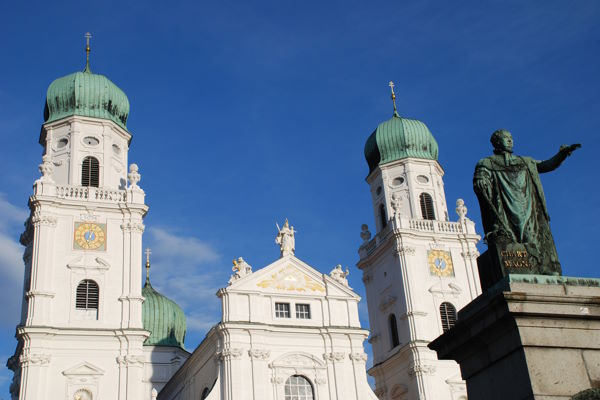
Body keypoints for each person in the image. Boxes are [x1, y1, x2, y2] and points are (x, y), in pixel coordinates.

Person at [473, 129, 580, 274]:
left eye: (511, 138)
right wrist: (481, 181)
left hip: (528, 207)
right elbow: (481, 179)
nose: (510, 140)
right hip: (504, 207)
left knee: (534, 238)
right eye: (506, 138)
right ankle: (520, 269)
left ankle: (543, 269)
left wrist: (561, 155)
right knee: (511, 240)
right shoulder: (487, 163)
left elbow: (546, 165)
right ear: (497, 142)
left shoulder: (525, 161)